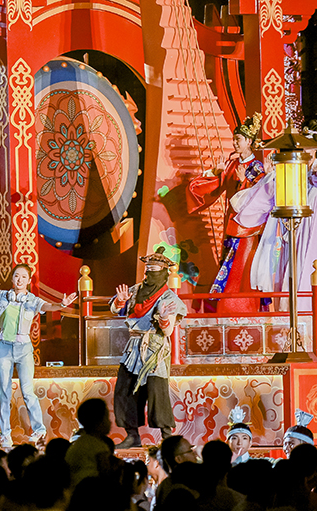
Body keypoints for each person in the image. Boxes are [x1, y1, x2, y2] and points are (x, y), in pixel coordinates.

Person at [0, 266, 75, 446]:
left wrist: (62, 304)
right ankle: (5, 434)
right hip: (4, 347)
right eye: (16, 276)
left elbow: (48, 306)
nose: (19, 280)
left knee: (28, 391)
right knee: (4, 392)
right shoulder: (3, 296)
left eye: (23, 277)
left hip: (24, 349)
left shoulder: (33, 301)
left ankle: (39, 430)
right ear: (12, 279)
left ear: (29, 280)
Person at [187, 113, 266, 312]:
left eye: (238, 139)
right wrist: (215, 172)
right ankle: (226, 305)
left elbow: (262, 198)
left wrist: (244, 182)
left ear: (249, 141)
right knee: (229, 260)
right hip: (230, 222)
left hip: (248, 227)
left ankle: (243, 308)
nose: (234, 143)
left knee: (242, 264)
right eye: (234, 139)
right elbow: (216, 186)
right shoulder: (232, 164)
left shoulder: (257, 168)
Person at [110, 247, 187, 448]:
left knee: (157, 392)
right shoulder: (135, 291)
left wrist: (163, 318)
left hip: (155, 348)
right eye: (148, 269)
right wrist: (120, 301)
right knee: (125, 390)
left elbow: (167, 331)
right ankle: (132, 435)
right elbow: (115, 308)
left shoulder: (169, 298)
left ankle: (167, 436)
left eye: (155, 270)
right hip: (133, 347)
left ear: (164, 272)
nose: (150, 273)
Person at [233, 151, 317, 310]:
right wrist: (271, 176)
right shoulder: (292, 176)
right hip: (295, 237)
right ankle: (294, 318)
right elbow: (268, 197)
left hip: (309, 234)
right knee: (294, 273)